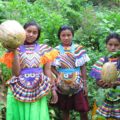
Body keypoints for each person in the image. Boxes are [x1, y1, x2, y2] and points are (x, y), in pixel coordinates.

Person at [0, 21, 58, 120]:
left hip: (38, 88)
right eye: (28, 31)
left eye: (34, 32)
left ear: (38, 35)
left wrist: (53, 90)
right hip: (19, 88)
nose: (31, 34)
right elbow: (16, 73)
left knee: (36, 115)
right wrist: (14, 50)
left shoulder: (44, 49)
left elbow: (47, 71)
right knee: (20, 114)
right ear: (22, 32)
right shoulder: (15, 49)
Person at [50, 25, 90, 120]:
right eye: (63, 35)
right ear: (59, 36)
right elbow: (51, 67)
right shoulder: (55, 50)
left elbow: (83, 67)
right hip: (62, 86)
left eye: (69, 35)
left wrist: (85, 84)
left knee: (83, 110)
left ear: (73, 35)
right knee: (65, 109)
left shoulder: (78, 49)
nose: (66, 37)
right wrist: (58, 74)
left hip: (78, 84)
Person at [90, 33, 120, 120]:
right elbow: (97, 80)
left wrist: (116, 83)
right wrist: (101, 83)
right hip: (104, 96)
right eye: (110, 44)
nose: (113, 47)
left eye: (116, 45)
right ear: (106, 45)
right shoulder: (102, 61)